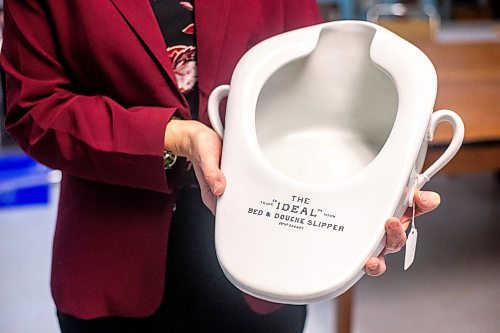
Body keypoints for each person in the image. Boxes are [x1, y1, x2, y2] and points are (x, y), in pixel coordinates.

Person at [0, 0, 440, 332]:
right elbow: (35, 109)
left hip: (270, 252)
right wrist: (175, 137)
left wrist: (380, 181)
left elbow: (327, 76)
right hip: (112, 258)